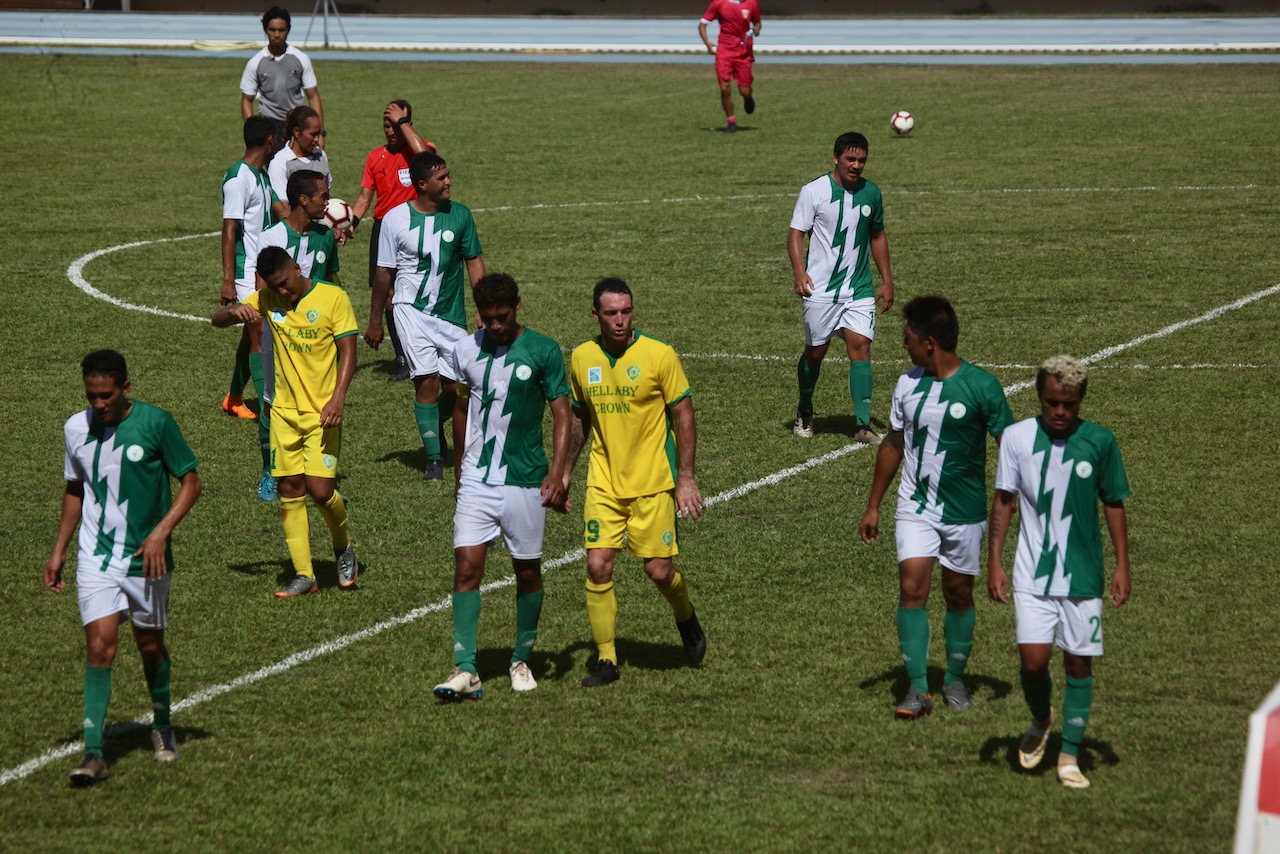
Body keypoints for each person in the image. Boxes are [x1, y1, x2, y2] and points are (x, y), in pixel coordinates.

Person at [45, 350, 202, 786]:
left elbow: (191, 481)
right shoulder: (75, 428)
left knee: (149, 646)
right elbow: (75, 488)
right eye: (91, 396)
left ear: (125, 389)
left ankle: (162, 724)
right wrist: (59, 550)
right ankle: (93, 754)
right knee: (100, 649)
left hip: (146, 559)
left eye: (106, 396)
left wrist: (160, 532)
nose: (98, 405)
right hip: (95, 556)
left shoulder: (155, 424)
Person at [858, 296, 1013, 718]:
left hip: (965, 512)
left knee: (958, 594)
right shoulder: (907, 384)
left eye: (907, 339)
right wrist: (873, 505)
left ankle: (955, 679)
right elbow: (893, 443)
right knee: (912, 588)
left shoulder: (983, 387)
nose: (902, 345)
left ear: (929, 343)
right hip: (916, 505)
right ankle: (919, 690)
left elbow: (1013, 452)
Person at [987, 355, 1131, 790]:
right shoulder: (1016, 438)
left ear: (1080, 400)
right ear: (1040, 397)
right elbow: (1004, 501)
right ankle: (1041, 716)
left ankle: (1069, 754)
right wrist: (993, 560)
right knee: (1033, 664)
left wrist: (1123, 564)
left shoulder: (1101, 442)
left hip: (1083, 579)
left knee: (1078, 664)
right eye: (1052, 402)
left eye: (1068, 404)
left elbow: (1113, 502)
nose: (1060, 412)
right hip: (1032, 574)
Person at [432, 274, 573, 700]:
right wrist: (460, 472)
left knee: (527, 573)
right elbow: (459, 408)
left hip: (526, 480)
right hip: (477, 478)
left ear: (517, 306)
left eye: (503, 316)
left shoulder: (544, 350)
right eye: (488, 318)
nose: (495, 325)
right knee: (466, 568)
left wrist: (558, 472)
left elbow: (563, 414)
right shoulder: (465, 350)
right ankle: (467, 669)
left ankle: (521, 659)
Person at [564, 278, 707, 688]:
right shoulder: (581, 357)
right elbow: (578, 417)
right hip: (604, 482)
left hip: (653, 483)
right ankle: (607, 661)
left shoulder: (658, 354)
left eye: (626, 311)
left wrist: (686, 479)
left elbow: (684, 414)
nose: (621, 320)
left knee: (659, 572)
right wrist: (567, 470)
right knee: (597, 566)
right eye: (611, 313)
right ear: (595, 315)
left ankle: (685, 615)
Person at [213, 246, 359, 598]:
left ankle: (343, 547)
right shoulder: (266, 299)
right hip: (282, 414)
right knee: (290, 489)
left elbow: (349, 351)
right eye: (274, 287)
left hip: (322, 414)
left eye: (284, 283)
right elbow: (216, 320)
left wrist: (338, 397)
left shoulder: (332, 298)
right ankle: (305, 574)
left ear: (296, 268)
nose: (282, 292)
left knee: (322, 491)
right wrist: (235, 312)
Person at [365, 151, 484, 482]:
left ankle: (436, 423)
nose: (449, 182)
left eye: (447, 175)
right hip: (409, 311)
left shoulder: (460, 215)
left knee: (457, 390)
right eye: (441, 177)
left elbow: (473, 261)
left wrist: (484, 308)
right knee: (426, 381)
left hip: (450, 316)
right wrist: (376, 320)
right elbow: (384, 273)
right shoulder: (394, 219)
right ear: (422, 184)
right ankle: (434, 458)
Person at [790, 131, 894, 446]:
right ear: (836, 158)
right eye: (850, 159)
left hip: (858, 289)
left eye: (862, 160)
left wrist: (886, 279)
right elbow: (796, 234)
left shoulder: (872, 194)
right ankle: (805, 407)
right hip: (820, 290)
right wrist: (799, 271)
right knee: (816, 353)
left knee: (860, 346)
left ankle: (863, 425)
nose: (856, 165)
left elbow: (877, 236)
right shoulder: (814, 191)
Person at [221, 115, 287, 502]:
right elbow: (230, 229)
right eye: (278, 137)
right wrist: (229, 279)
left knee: (254, 335)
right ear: (268, 139)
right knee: (260, 332)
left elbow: (279, 210)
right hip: (247, 273)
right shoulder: (239, 177)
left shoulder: (260, 177)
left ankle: (232, 397)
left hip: (260, 269)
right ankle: (266, 405)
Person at [351, 100, 436, 383]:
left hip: (414, 228)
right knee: (387, 294)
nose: (390, 131)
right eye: (386, 125)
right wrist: (349, 224)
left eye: (395, 124)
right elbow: (365, 198)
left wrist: (403, 124)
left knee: (416, 291)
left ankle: (423, 350)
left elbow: (426, 159)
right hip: (383, 229)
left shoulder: (421, 150)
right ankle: (403, 358)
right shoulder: (375, 157)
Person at [240, 6, 323, 148]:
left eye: (281, 30)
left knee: (298, 167)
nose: (277, 34)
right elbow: (247, 100)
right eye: (272, 30)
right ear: (265, 30)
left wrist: (320, 134)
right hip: (269, 125)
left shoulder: (301, 59)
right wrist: (254, 131)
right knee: (272, 169)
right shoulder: (255, 63)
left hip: (296, 124)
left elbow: (313, 96)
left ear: (288, 30)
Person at [260, 169, 341, 285]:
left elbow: (330, 279)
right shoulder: (270, 237)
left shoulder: (327, 235)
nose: (327, 202)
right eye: (323, 197)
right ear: (304, 200)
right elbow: (262, 288)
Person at [697, 0, 762, 133]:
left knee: (744, 90)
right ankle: (731, 122)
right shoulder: (718, 3)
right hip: (724, 52)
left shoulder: (751, 3)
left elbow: (757, 22)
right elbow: (702, 25)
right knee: (724, 88)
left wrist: (756, 29)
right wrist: (708, 44)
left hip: (744, 53)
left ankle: (748, 97)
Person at [266, 105, 331, 204]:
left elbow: (326, 196)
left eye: (319, 134)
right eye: (313, 134)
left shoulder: (321, 156)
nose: (317, 139)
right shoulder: (280, 163)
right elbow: (283, 208)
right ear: (296, 132)